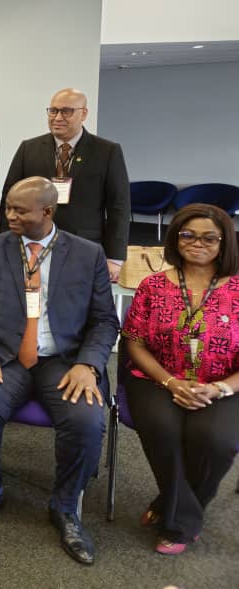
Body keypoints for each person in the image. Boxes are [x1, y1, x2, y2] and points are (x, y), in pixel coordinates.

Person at [0, 177, 118, 565]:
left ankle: (65, 507)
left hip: (63, 361)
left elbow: (104, 321)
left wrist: (88, 364)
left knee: (86, 418)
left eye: (19, 210)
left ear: (47, 212)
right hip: (3, 358)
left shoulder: (87, 254)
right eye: (8, 207)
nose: (9, 215)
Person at [121, 203, 239, 555]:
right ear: (175, 238)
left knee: (215, 439)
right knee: (163, 427)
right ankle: (182, 522)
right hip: (156, 377)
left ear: (225, 242)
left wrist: (218, 388)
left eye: (209, 237)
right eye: (188, 234)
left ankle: (167, 503)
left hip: (224, 383)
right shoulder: (153, 285)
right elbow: (135, 342)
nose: (197, 243)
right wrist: (172, 383)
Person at [0, 87, 130, 283]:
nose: (58, 117)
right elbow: (8, 198)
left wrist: (115, 257)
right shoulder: (29, 148)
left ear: (83, 113)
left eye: (66, 111)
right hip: (32, 243)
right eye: (53, 111)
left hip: (83, 245)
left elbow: (119, 206)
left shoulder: (107, 151)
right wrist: (3, 244)